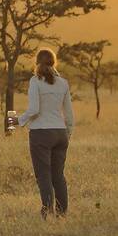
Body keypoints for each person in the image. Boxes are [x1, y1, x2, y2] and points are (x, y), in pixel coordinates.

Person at [13, 47, 74, 217]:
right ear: (54, 62)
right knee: (58, 175)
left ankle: (47, 210)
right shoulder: (63, 83)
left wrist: (19, 120)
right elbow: (69, 113)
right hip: (60, 132)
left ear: (37, 62)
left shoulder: (35, 81)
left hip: (41, 133)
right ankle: (62, 213)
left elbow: (34, 109)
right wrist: (68, 133)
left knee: (43, 174)